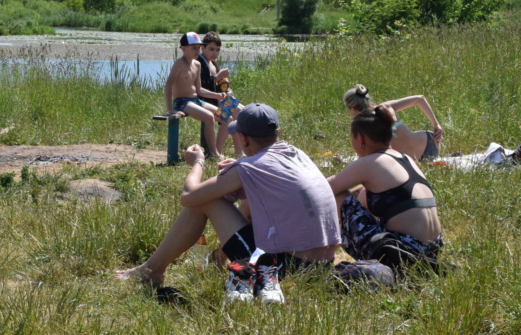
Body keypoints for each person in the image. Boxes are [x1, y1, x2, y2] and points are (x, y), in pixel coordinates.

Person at [116, 103, 341, 304]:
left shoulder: (249, 168)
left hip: (280, 270)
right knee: (237, 202)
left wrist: (198, 163)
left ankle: (151, 271)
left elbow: (189, 196)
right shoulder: (297, 154)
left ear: (243, 139)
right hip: (320, 268)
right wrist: (241, 166)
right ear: (278, 133)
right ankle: (215, 259)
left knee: (206, 201)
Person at [327, 105, 443, 269]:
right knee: (363, 192)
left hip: (401, 254)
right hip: (432, 251)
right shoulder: (404, 158)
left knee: (339, 195)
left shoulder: (370, 162)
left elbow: (322, 189)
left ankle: (319, 253)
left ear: (361, 139)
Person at [164, 31, 226, 157]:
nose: (197, 50)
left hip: (195, 100)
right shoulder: (179, 64)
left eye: (198, 47)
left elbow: (199, 90)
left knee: (225, 116)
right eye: (193, 48)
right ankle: (213, 154)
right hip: (182, 102)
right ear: (183, 48)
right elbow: (168, 85)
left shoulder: (197, 64)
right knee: (209, 117)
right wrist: (170, 108)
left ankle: (218, 151)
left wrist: (217, 96)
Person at [343, 84, 443, 161]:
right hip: (431, 145)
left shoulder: (361, 125)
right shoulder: (384, 108)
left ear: (353, 109)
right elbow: (420, 99)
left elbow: (366, 157)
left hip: (405, 161)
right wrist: (436, 124)